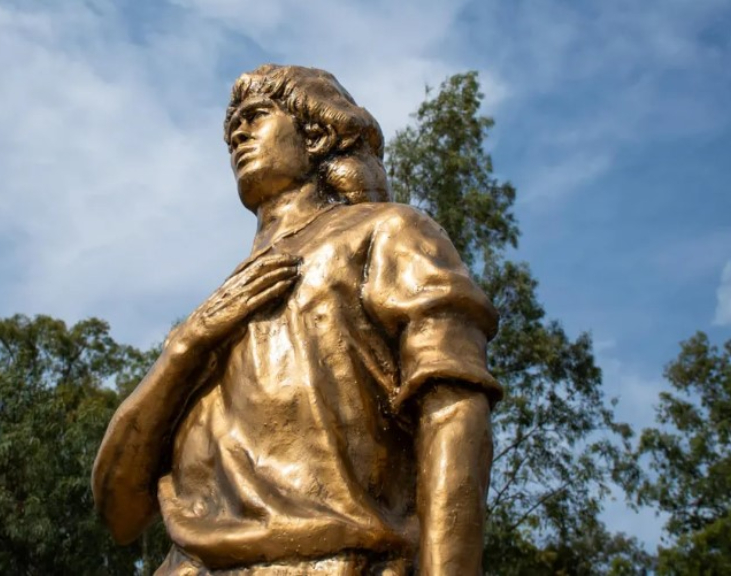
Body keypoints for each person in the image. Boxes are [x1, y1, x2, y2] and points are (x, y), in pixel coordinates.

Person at [92, 64, 501, 575]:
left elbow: (454, 411)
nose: (236, 132)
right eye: (229, 129)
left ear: (317, 133)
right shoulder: (216, 313)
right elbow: (120, 509)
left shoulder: (388, 234)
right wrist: (186, 345)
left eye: (256, 116)